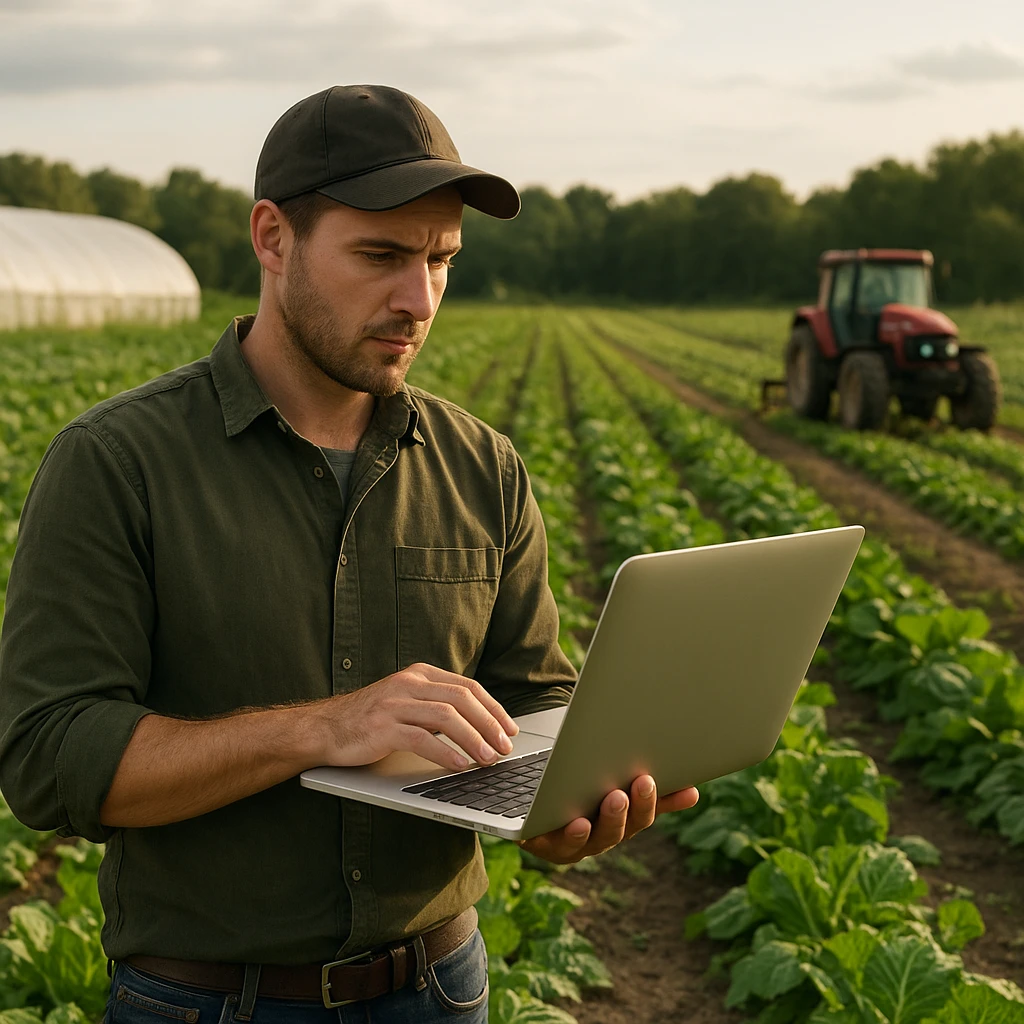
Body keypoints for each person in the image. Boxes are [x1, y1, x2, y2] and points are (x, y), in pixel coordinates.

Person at [0, 85, 698, 1023]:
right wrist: (324, 729)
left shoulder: (482, 466)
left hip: (443, 987)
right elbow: (49, 758)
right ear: (273, 237)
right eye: (380, 255)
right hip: (209, 1001)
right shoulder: (118, 463)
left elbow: (535, 695)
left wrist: (565, 806)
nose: (418, 299)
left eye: (440, 259)